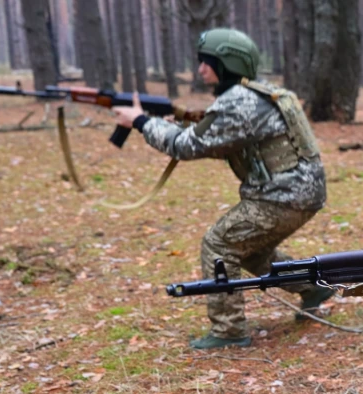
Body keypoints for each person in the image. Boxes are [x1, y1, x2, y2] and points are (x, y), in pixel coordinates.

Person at [113, 28, 331, 350]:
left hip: (284, 197)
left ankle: (229, 331)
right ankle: (312, 287)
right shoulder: (253, 94)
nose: (200, 69)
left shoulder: (239, 102)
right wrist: (163, 120)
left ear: (228, 64)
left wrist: (141, 122)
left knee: (219, 244)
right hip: (297, 193)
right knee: (252, 252)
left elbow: (186, 147)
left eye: (207, 62)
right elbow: (211, 132)